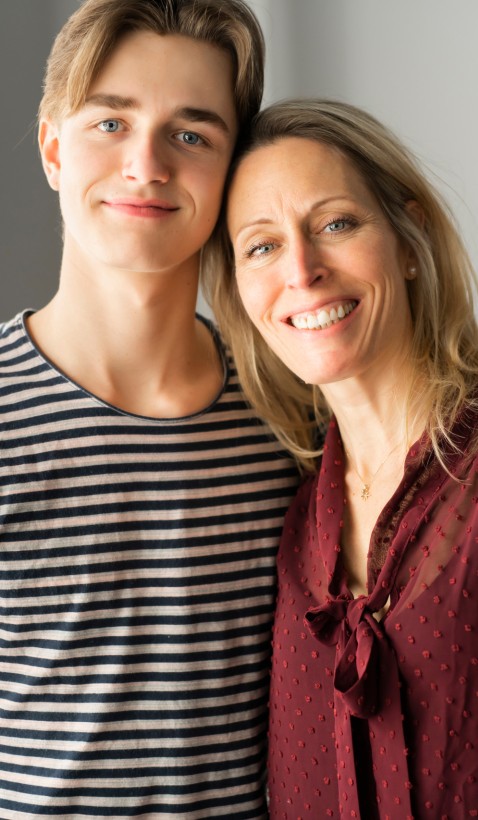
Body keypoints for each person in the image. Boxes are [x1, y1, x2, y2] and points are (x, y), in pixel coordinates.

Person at [0, 3, 299, 817]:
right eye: (110, 124)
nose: (147, 165)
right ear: (53, 149)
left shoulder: (292, 412)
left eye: (192, 134)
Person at [211, 99, 478, 818]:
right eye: (262, 246)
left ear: (409, 235)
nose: (302, 270)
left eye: (336, 224)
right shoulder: (294, 521)